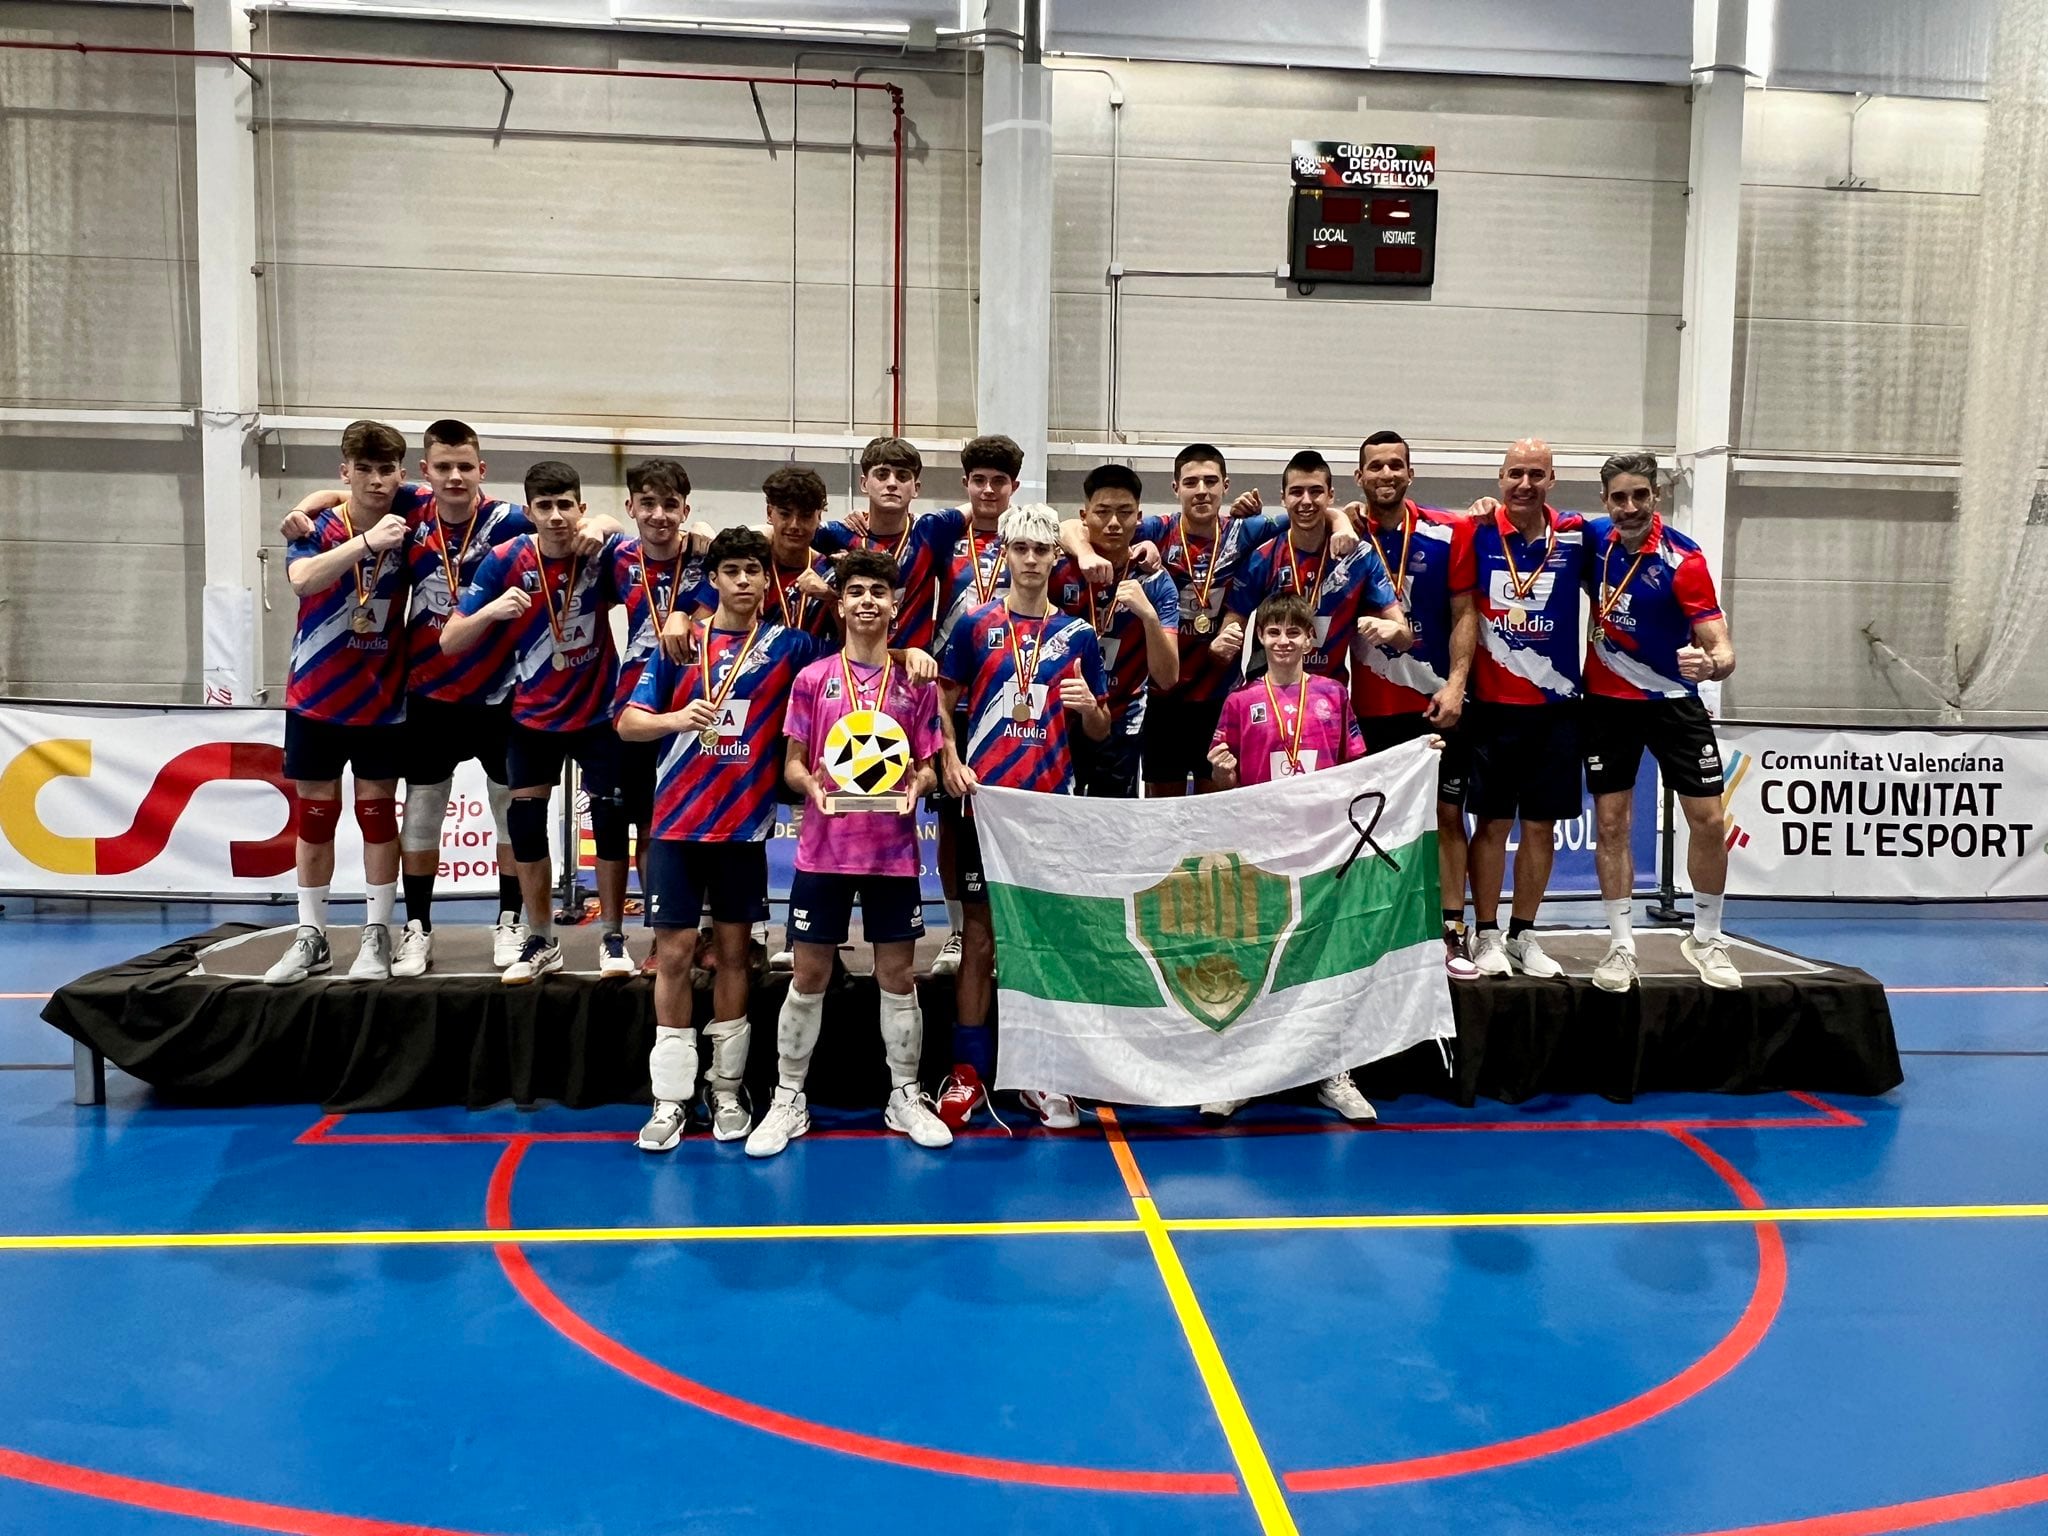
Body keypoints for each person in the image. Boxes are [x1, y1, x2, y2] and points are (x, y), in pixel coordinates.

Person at [277, 421, 620, 976]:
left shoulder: (510, 518)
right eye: (443, 467)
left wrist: (598, 526)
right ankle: (416, 928)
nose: (454, 476)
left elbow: (584, 518)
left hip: (500, 694)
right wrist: (306, 502)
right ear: (425, 473)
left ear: (482, 471)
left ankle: (511, 921)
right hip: (425, 693)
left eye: (465, 466)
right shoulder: (409, 511)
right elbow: (351, 493)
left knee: (511, 814)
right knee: (422, 812)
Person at [619, 527, 825, 1150]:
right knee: (676, 955)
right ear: (713, 580)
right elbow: (627, 723)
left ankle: (728, 1089)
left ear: (768, 580)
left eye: (752, 571)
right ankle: (670, 1098)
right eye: (730, 570)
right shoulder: (678, 646)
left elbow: (845, 667)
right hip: (678, 825)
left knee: (737, 956)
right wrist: (676, 719)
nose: (742, 580)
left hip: (744, 828)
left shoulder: (792, 646)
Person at [745, 550, 954, 1157]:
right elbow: (791, 766)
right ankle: (789, 1097)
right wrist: (814, 789)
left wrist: (914, 789)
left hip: (891, 854)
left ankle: (905, 1095)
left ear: (893, 606)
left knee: (897, 975)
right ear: (839, 606)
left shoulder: (915, 681)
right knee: (808, 974)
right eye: (856, 591)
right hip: (822, 852)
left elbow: (929, 770)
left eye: (878, 593)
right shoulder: (812, 680)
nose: (867, 601)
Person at [937, 503, 1111, 1130]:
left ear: (1055, 559)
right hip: (987, 804)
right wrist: (950, 760)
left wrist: (1090, 705)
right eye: (1022, 550)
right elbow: (942, 704)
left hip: (1050, 810)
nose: (1033, 560)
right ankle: (968, 1073)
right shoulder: (974, 625)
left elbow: (1100, 728)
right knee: (980, 940)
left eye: (1043, 551)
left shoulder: (1078, 635)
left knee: (1040, 941)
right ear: (1004, 555)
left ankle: (1043, 1073)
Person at [441, 461, 633, 982]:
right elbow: (449, 640)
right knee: (524, 822)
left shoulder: (599, 553)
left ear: (580, 508)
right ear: (529, 513)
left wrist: (608, 525)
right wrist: (491, 612)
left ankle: (613, 936)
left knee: (612, 820)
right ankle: (540, 938)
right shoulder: (504, 560)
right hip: (531, 716)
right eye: (544, 507)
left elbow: (642, 540)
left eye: (565, 505)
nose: (555, 517)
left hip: (598, 713)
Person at [1204, 592, 1377, 1121]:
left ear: (1310, 640)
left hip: (1320, 847)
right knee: (1256, 957)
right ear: (1261, 638)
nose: (1283, 641)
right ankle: (1243, 1072)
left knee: (1325, 959)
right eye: (1273, 631)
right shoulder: (1239, 701)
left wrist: (1418, 759)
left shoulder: (1333, 695)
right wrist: (1223, 768)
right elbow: (1221, 778)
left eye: (1293, 633)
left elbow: (1358, 768)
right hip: (1260, 847)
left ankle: (1333, 1071)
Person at [1578, 452, 1742, 992]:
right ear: (1605, 502)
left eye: (1640, 496)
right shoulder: (1591, 541)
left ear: (1657, 498)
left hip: (1673, 701)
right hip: (1607, 703)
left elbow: (1723, 650)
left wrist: (1711, 663)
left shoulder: (1683, 559)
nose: (1630, 507)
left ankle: (1708, 936)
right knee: (1611, 825)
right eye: (1619, 498)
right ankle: (1621, 945)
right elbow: (1524, 520)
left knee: (1709, 821)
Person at [264, 420, 413, 984]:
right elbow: (302, 580)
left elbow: (463, 498)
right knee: (316, 816)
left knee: (377, 815)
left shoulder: (414, 517)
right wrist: (365, 542)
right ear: (344, 470)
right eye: (365, 469)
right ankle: (312, 937)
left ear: (401, 473)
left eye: (386, 470)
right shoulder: (316, 525)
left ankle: (377, 933)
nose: (376, 480)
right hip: (316, 699)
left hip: (381, 702)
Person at [1343, 429, 1483, 979]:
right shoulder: (1345, 531)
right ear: (1360, 477)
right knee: (1377, 824)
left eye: (1395, 465)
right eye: (1374, 467)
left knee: (1448, 816)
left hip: (1437, 704)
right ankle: (1383, 934)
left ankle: (1452, 932)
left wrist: (1456, 685)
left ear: (1410, 473)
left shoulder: (1449, 531)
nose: (1385, 475)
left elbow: (1466, 613)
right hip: (1372, 708)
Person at [1463, 438, 1590, 979]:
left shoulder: (1579, 535)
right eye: (1516, 473)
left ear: (1552, 481)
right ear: (1499, 479)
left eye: (1537, 474)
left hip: (1558, 710)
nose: (1525, 483)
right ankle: (1485, 933)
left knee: (1540, 828)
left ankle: (1523, 934)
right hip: (1491, 708)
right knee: (1490, 824)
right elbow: (1408, 516)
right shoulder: (1477, 530)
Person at [612, 458, 708, 967]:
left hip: (705, 709)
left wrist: (709, 534)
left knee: (711, 826)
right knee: (652, 830)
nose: (659, 515)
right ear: (630, 507)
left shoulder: (710, 561)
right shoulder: (616, 558)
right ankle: (660, 933)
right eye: (647, 503)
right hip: (642, 712)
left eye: (670, 505)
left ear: (686, 510)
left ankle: (710, 933)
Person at [1221, 449, 1412, 686]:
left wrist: (1393, 633)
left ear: (1331, 495)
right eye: (1296, 492)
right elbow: (1228, 633)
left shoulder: (1360, 558)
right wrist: (1222, 644)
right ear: (1283, 498)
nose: (1306, 501)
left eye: (1316, 491)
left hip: (1329, 697)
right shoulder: (1263, 557)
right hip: (1269, 694)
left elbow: (1404, 637)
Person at [1049, 464, 1180, 798]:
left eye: (1124, 513)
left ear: (1139, 518)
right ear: (1084, 516)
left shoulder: (1155, 581)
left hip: (1123, 721)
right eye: (1102, 512)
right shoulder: (1061, 569)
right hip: (1060, 718)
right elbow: (1059, 528)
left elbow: (1167, 677)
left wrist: (1148, 616)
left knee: (1112, 830)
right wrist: (1084, 553)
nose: (1113, 523)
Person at [758, 467, 841, 647]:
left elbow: (853, 643)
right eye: (785, 514)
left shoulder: (832, 574)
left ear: (819, 516)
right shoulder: (747, 566)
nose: (795, 525)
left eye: (805, 516)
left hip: (813, 672)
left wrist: (831, 598)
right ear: (769, 513)